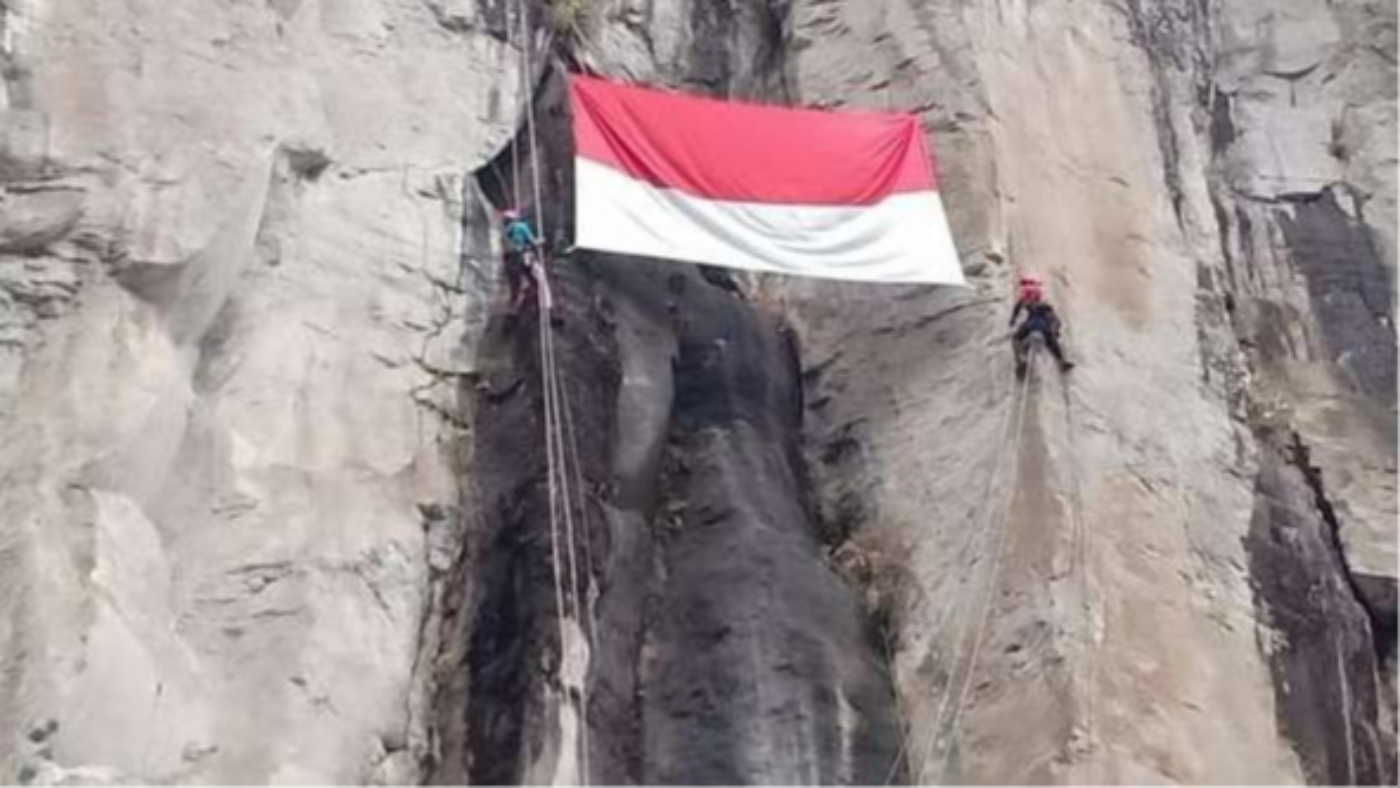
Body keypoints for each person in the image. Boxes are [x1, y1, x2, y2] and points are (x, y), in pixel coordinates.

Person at [1010, 274, 1074, 375]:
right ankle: (1061, 362)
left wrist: (1013, 319)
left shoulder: (1026, 295)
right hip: (1044, 328)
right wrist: (1055, 330)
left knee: (1015, 339)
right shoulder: (1046, 304)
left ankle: (1020, 361)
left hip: (1030, 325)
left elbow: (1018, 306)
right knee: (1053, 342)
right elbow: (1056, 321)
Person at [502, 209, 542, 315]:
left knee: (514, 287)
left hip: (509, 260)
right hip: (520, 257)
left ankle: (512, 309)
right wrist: (541, 241)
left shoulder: (505, 232)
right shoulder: (521, 226)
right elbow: (533, 242)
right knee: (535, 282)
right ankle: (535, 305)